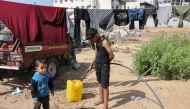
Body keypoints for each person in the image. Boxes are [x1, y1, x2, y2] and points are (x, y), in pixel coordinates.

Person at [86, 28, 114, 109]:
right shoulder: (96, 43)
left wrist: (107, 62)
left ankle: (106, 105)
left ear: (96, 36)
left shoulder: (104, 42)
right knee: (100, 83)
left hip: (104, 66)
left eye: (91, 39)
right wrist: (91, 65)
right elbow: (96, 55)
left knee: (105, 86)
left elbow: (112, 55)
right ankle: (101, 99)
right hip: (97, 65)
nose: (91, 41)